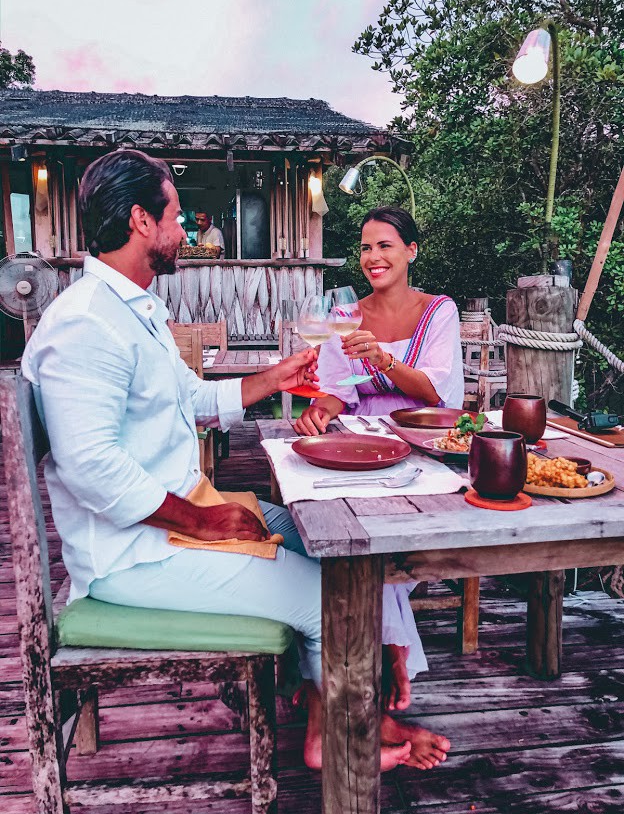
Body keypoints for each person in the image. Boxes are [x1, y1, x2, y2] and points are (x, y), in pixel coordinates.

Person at [22, 153, 450, 772]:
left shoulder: (131, 310)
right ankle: (331, 737)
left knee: (310, 534)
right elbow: (93, 470)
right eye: (174, 215)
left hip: (175, 519)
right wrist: (206, 523)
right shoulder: (87, 325)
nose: (183, 232)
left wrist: (272, 376)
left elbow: (192, 400)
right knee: (335, 595)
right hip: (134, 556)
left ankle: (335, 704)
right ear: (142, 220)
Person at [295, 205, 464, 711]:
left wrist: (384, 359)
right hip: (358, 447)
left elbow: (438, 392)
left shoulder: (440, 311)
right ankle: (396, 651)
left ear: (411, 251)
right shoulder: (343, 314)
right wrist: (319, 413)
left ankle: (385, 653)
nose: (373, 257)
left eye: (385, 245)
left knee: (372, 550)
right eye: (366, 247)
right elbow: (335, 391)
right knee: (346, 536)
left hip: (422, 448)